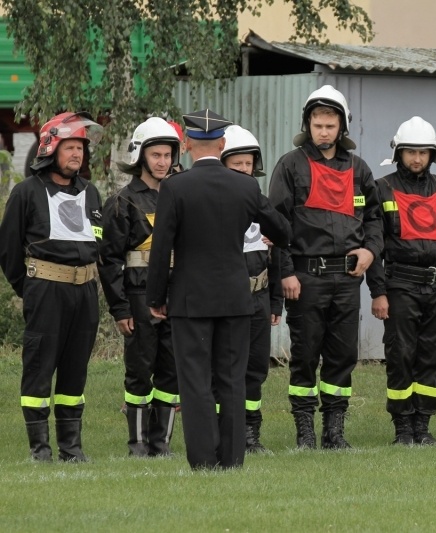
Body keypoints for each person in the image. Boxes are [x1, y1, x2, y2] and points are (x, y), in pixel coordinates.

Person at [146, 109, 291, 470]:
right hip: (235, 298)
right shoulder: (245, 186)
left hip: (190, 299)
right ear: (223, 144)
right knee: (232, 380)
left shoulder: (174, 187)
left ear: (187, 144)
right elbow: (283, 230)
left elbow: (161, 248)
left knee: (195, 382)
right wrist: (273, 235)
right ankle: (233, 458)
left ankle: (203, 460)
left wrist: (156, 298)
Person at [268, 85, 382, 449]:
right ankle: (305, 432)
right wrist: (286, 272)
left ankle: (335, 432)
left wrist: (370, 251)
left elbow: (376, 219)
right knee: (305, 355)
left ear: (342, 127)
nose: (323, 132)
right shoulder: (290, 165)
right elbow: (277, 223)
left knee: (342, 356)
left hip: (347, 280)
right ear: (308, 125)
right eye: (317, 125)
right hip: (305, 278)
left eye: (330, 126)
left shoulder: (359, 169)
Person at [0, 112, 103, 462]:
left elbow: (100, 244)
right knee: (39, 368)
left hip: (85, 293)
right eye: (70, 147)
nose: (77, 154)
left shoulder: (91, 193)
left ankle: (71, 449)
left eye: (80, 148)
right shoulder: (26, 192)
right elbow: (8, 250)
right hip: (45, 290)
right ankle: (40, 450)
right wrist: (30, 288)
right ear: (50, 148)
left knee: (76, 370)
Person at [366, 117, 436, 445]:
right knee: (400, 356)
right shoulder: (382, 188)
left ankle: (422, 425)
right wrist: (378, 292)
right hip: (401, 287)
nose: (417, 158)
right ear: (398, 153)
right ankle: (402, 428)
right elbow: (374, 245)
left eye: (423, 152)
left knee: (432, 357)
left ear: (433, 154)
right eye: (411, 152)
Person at [98, 117, 181, 456]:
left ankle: (162, 443)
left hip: (177, 298)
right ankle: (138, 444)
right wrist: (120, 309)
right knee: (139, 371)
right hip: (138, 298)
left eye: (167, 155)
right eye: (155, 155)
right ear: (140, 156)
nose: (162, 162)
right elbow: (108, 260)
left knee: (171, 371)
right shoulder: (122, 202)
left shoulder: (180, 198)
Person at [220, 124, 283, 453]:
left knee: (256, 368)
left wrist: (276, 301)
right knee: (225, 367)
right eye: (237, 164)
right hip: (227, 298)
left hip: (259, 297)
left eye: (248, 163)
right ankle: (223, 432)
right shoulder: (214, 203)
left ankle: (250, 435)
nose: (244, 169)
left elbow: (278, 252)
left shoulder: (261, 203)